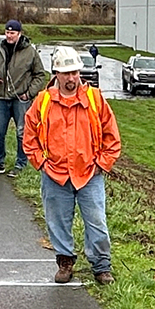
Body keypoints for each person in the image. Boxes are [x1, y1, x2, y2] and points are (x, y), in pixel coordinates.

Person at [21, 46, 120, 284]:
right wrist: (41, 163)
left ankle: (101, 266)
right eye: (66, 73)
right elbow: (29, 136)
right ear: (56, 73)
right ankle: (65, 262)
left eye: (75, 72)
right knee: (57, 222)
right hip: (55, 175)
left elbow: (112, 136)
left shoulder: (94, 99)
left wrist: (102, 164)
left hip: (89, 174)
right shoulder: (43, 101)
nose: (71, 78)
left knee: (96, 221)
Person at [0, 19, 49, 177]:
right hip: (1, 98)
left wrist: (29, 93)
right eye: (7, 32)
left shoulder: (30, 52)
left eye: (12, 33)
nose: (9, 35)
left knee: (22, 133)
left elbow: (40, 75)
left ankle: (20, 164)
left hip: (21, 100)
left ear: (19, 34)